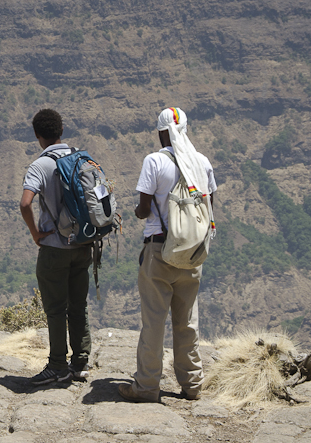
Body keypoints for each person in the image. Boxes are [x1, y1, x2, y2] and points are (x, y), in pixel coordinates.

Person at [119, 106, 217, 403]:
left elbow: (144, 209)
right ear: (185, 130)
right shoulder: (202, 163)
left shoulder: (155, 162)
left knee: (154, 321)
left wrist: (135, 211)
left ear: (162, 132)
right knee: (187, 321)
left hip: (159, 250)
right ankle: (192, 385)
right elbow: (209, 208)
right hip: (192, 253)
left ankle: (147, 386)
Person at [19, 108, 93, 386]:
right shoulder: (80, 157)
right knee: (78, 305)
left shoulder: (41, 165)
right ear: (61, 131)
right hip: (83, 244)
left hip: (53, 248)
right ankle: (81, 363)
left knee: (55, 308)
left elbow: (25, 203)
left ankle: (58, 365)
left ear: (38, 136)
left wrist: (36, 234)